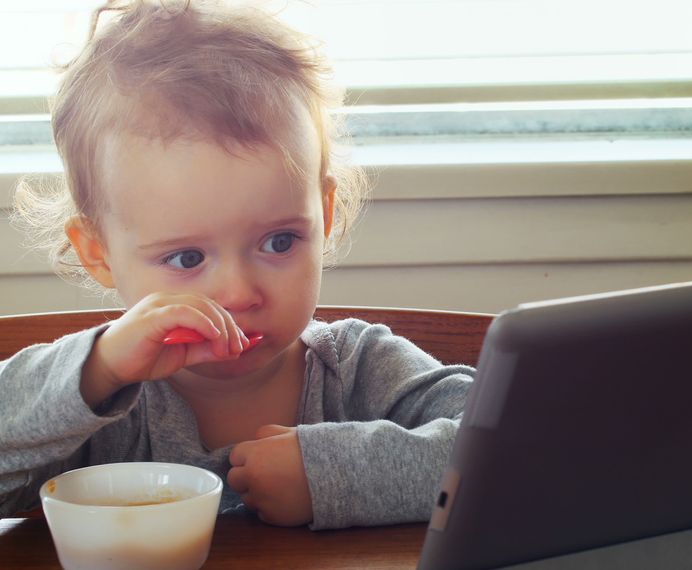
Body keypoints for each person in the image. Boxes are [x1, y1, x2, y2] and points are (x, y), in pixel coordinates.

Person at [0, 0, 474, 530]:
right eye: (186, 257)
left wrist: (336, 472)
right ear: (98, 253)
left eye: (278, 242)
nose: (239, 293)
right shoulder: (98, 401)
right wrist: (97, 371)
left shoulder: (359, 371)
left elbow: (522, 448)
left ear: (325, 213)